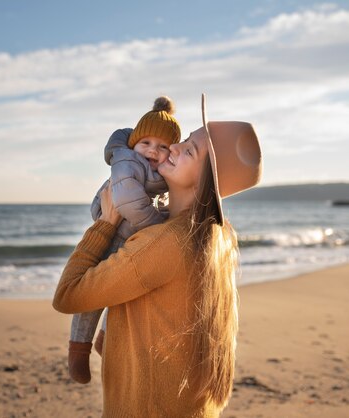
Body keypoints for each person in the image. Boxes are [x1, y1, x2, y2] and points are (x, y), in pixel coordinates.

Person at [53, 94, 262, 417]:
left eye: (189, 150)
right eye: (184, 140)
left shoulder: (163, 243)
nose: (172, 147)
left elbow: (68, 295)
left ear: (205, 178)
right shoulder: (215, 239)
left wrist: (106, 225)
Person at [68, 96, 181, 384]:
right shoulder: (127, 161)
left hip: (132, 231)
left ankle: (106, 338)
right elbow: (128, 201)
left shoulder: (159, 173)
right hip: (116, 227)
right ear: (134, 143)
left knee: (123, 290)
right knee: (95, 292)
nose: (153, 151)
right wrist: (157, 228)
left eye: (162, 146)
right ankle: (78, 349)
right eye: (146, 143)